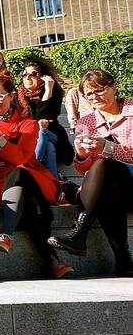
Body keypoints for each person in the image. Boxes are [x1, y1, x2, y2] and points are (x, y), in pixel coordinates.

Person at [0, 74, 70, 278]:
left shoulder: (28, 124)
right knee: (30, 203)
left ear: (12, 96)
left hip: (32, 177)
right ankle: (52, 259)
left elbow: (20, 158)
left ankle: (7, 233)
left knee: (20, 173)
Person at [49, 68, 133, 276]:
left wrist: (108, 148)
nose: (95, 97)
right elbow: (82, 169)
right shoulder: (85, 123)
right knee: (104, 176)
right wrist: (81, 155)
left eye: (99, 90)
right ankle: (123, 260)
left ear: (113, 87)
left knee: (106, 164)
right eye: (89, 94)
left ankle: (80, 231)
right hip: (109, 190)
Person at [17, 59, 72, 179]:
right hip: (30, 139)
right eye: (25, 74)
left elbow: (42, 119)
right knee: (49, 148)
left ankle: (27, 172)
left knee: (41, 132)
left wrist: (48, 91)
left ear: (43, 77)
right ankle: (54, 185)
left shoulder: (54, 93)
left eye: (33, 74)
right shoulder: (19, 97)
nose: (27, 78)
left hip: (53, 134)